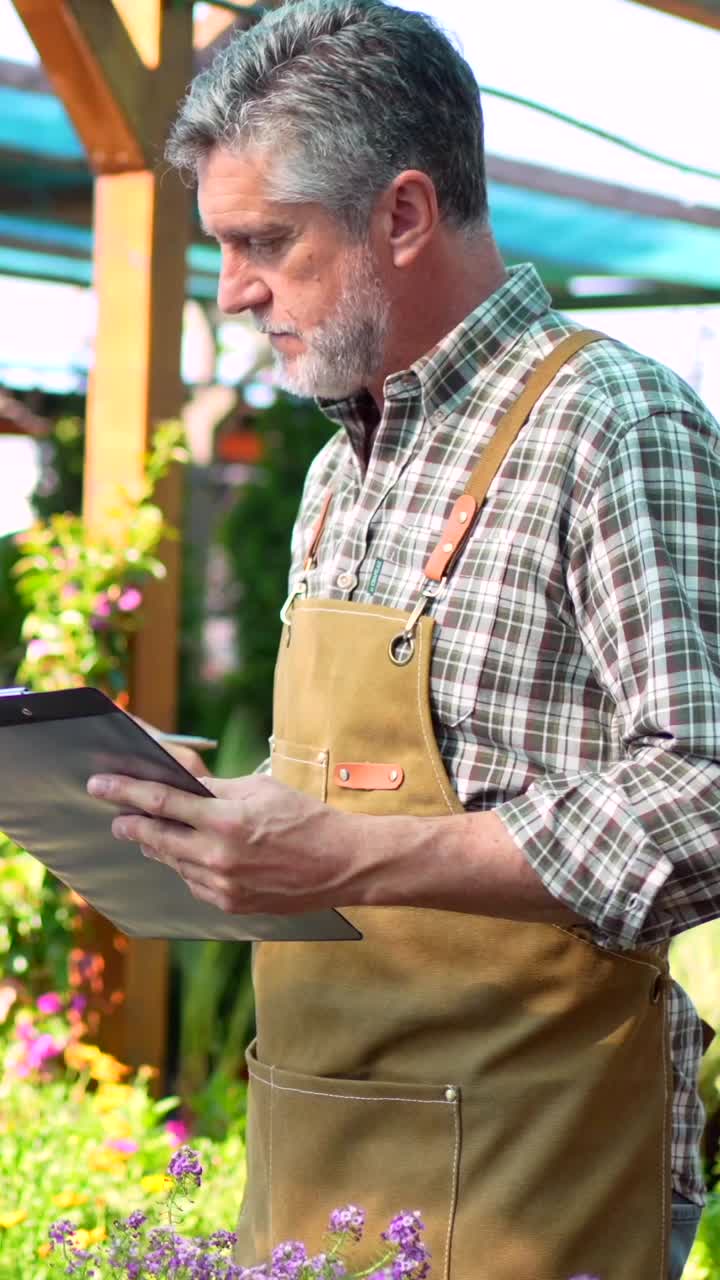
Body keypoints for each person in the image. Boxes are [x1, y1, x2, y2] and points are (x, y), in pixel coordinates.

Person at [86, 2, 720, 1276]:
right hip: (316, 1150)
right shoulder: (340, 470)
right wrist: (205, 811)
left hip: (527, 1179)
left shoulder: (611, 423)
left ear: (405, 214)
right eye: (222, 245)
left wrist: (356, 857)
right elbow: (364, 802)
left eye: (264, 241)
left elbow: (705, 795)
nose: (235, 290)